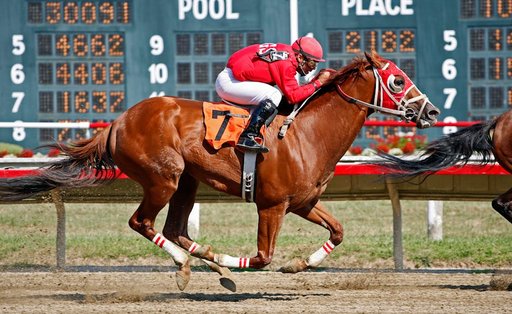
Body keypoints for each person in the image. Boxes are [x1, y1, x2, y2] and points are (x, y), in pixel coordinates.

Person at [215, 36, 331, 153]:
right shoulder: (286, 63)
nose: (313, 68)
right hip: (230, 82)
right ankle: (248, 135)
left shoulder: (288, 55)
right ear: (300, 57)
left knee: (272, 95)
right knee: (274, 94)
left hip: (233, 77)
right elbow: (294, 96)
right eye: (312, 63)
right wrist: (317, 83)